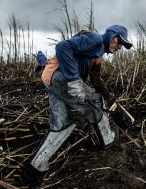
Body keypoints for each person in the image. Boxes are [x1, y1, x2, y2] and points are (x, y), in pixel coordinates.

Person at [25, 25, 133, 175]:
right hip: (60, 78)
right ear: (111, 35)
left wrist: (112, 100)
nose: (119, 46)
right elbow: (62, 47)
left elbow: (96, 81)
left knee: (62, 122)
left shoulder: (98, 55)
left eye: (122, 45)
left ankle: (37, 165)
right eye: (118, 41)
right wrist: (74, 80)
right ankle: (107, 140)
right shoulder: (96, 40)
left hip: (49, 78)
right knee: (96, 103)